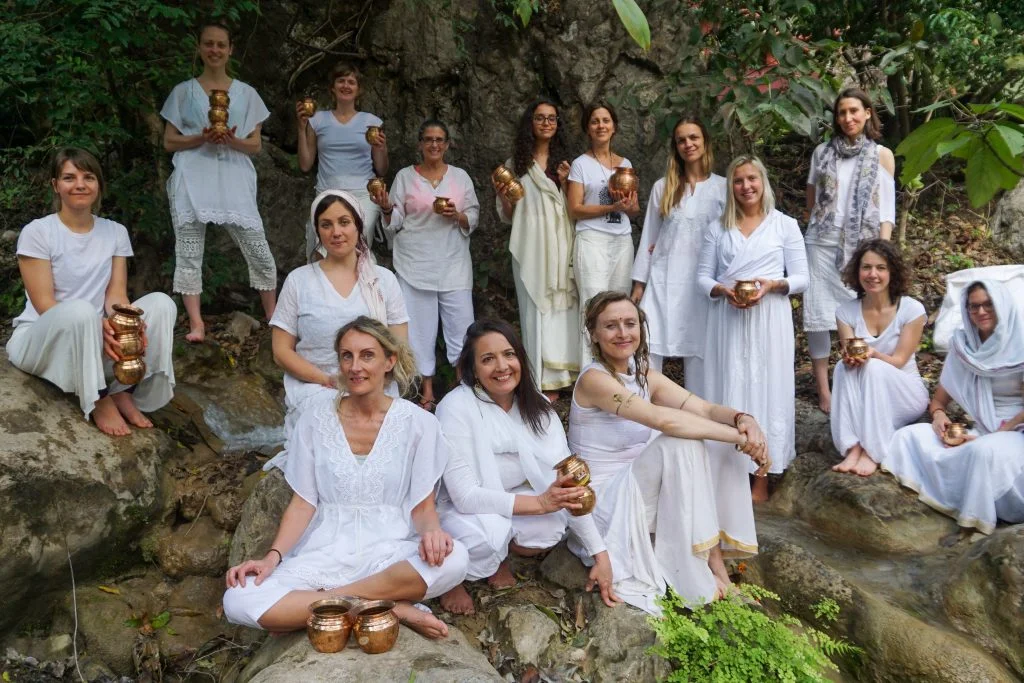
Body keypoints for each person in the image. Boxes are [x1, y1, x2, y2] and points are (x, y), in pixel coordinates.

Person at [223, 317, 468, 638]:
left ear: (389, 361)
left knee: (456, 558)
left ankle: (330, 602)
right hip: (325, 551)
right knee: (237, 599)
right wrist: (272, 558)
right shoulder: (313, 420)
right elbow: (303, 503)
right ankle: (390, 607)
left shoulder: (420, 424)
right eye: (346, 356)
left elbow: (422, 507)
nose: (355, 366)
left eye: (367, 355)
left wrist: (433, 533)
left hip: (390, 551)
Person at [568, 291, 769, 613]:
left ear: (641, 328)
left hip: (638, 490)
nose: (622, 333)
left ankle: (718, 568)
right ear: (594, 333)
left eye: (630, 323)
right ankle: (700, 579)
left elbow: (704, 409)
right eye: (611, 325)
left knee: (708, 439)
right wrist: (739, 438)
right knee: (682, 441)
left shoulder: (643, 375)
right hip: (606, 503)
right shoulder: (595, 380)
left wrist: (744, 420)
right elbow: (662, 420)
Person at [435, 319, 618, 615]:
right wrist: (541, 503)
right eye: (487, 359)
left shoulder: (538, 406)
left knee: (549, 528)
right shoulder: (455, 408)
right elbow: (465, 497)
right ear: (473, 370)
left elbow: (569, 484)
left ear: (520, 358)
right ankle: (451, 578)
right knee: (485, 537)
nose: (502, 366)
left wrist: (600, 555)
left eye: (509, 354)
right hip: (456, 507)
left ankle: (501, 557)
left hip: (512, 498)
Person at [6, 148, 176, 436]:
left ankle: (124, 388)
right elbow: (45, 304)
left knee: (161, 304)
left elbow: (116, 297)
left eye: (88, 177)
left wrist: (129, 326)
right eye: (69, 178)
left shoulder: (115, 232)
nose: (80, 185)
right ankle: (98, 397)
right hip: (42, 341)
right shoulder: (38, 232)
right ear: (55, 185)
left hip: (95, 336)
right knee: (81, 310)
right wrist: (96, 324)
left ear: (98, 184)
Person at [264, 190, 408, 471]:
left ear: (358, 226)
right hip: (316, 388)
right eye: (326, 224)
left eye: (344, 222)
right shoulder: (299, 281)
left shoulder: (384, 281)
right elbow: (281, 350)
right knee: (330, 455)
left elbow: (399, 344)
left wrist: (367, 382)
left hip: (376, 387)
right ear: (317, 230)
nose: (336, 232)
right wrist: (327, 380)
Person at [697, 155, 808, 506]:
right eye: (738, 180)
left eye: (752, 179)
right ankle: (727, 471)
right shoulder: (718, 228)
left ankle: (762, 475)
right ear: (730, 186)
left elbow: (802, 278)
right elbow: (702, 277)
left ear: (763, 182)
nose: (746, 186)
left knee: (767, 388)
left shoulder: (784, 225)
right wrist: (722, 290)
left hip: (769, 318)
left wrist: (773, 285)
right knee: (731, 385)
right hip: (728, 318)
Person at [161, 20, 277, 343]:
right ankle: (196, 323)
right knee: (189, 250)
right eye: (208, 43)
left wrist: (231, 140)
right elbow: (169, 141)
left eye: (221, 44)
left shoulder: (247, 94)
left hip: (234, 177)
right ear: (199, 48)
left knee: (258, 248)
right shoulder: (183, 92)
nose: (214, 50)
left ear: (230, 50)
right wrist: (200, 137)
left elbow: (255, 145)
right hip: (193, 174)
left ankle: (274, 317)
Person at [885, 280, 1024, 535]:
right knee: (908, 436)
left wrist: (1003, 431)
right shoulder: (963, 347)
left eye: (988, 304)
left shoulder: (1020, 344)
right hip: (981, 430)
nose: (981, 312)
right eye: (974, 306)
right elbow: (939, 401)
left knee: (983, 452)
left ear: (1002, 305)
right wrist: (939, 417)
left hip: (1015, 432)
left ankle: (973, 524)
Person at [370, 119, 478, 411]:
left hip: (453, 262)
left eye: (439, 139)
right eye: (428, 139)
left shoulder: (460, 177)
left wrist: (458, 216)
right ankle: (426, 390)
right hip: (414, 262)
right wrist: (385, 207)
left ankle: (462, 386)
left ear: (447, 144)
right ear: (420, 144)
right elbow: (395, 221)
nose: (434, 144)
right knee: (419, 330)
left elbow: (473, 216)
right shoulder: (405, 177)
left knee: (462, 326)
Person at [804, 88, 896, 413]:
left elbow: (887, 208)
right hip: (820, 243)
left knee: (857, 314)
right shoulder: (822, 152)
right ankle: (824, 389)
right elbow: (811, 197)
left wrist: (882, 251)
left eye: (854, 111)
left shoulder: (881, 155)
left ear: (867, 113)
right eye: (842, 112)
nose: (848, 118)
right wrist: (818, 223)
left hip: (861, 247)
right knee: (818, 317)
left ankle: (856, 379)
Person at [630, 115, 727, 392]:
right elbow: (650, 237)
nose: (688, 144)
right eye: (681, 140)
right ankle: (646, 412)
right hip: (665, 278)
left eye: (694, 137)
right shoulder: (663, 187)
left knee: (700, 350)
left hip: (703, 282)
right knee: (649, 344)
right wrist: (639, 284)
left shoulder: (723, 187)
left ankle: (701, 415)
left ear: (705, 142)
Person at [830, 240, 927, 476]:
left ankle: (873, 451)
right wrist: (851, 358)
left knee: (872, 366)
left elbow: (899, 361)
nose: (872, 274)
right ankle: (853, 446)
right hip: (865, 393)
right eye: (866, 267)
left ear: (892, 272)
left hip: (905, 394)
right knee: (843, 367)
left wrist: (873, 354)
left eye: (881, 268)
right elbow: (852, 355)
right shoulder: (845, 312)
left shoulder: (911, 309)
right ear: (857, 271)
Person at [566, 102, 640, 364]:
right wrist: (611, 207)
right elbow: (575, 209)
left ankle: (617, 369)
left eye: (606, 121)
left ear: (614, 127)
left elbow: (634, 210)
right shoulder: (580, 164)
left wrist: (628, 206)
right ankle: (590, 372)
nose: (601, 126)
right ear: (588, 128)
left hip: (621, 241)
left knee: (619, 308)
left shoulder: (625, 164)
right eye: (595, 121)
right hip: (592, 240)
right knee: (593, 306)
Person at [296, 62, 388, 257]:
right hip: (328, 193)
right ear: (332, 87)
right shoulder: (317, 120)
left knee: (356, 245)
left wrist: (381, 148)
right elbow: (305, 164)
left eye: (351, 82)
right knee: (324, 250)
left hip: (363, 195)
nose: (346, 85)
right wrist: (301, 128)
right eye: (341, 81)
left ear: (359, 89)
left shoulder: (372, 122)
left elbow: (381, 169)